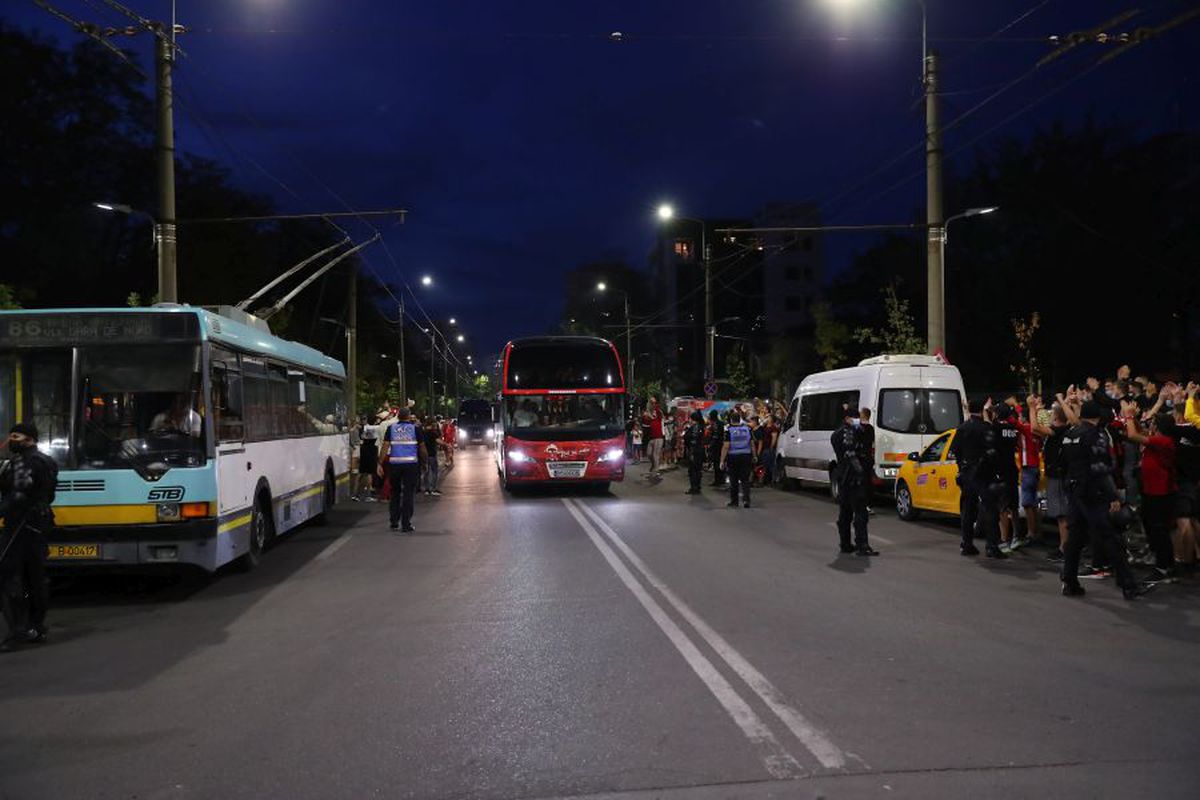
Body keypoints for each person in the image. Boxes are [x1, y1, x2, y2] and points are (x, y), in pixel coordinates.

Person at [1060, 400, 1149, 600]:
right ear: (1098, 416)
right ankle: (1128, 585)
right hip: (1092, 492)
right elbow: (1100, 468)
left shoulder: (1069, 434)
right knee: (1110, 537)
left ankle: (1069, 581)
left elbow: (1063, 465)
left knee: (1075, 538)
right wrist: (1112, 496)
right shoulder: (1095, 434)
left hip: (1074, 490)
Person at [0, 423, 58, 651]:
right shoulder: (47, 461)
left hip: (20, 524)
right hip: (39, 524)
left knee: (8, 575)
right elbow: (49, 495)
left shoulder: (24, 462)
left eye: (16, 436)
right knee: (35, 576)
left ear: (30, 439)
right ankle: (36, 627)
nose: (11, 440)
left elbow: (18, 496)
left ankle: (18, 631)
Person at [1121, 404, 1177, 582]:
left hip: (1160, 492)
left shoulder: (1164, 441)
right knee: (1151, 526)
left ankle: (1163, 567)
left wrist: (1129, 416)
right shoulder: (1157, 439)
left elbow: (1132, 435)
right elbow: (1139, 432)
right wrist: (1134, 417)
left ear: (1158, 426)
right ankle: (1162, 561)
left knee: (1159, 530)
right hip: (1151, 490)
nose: (1150, 425)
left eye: (1152, 423)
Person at [948, 398, 1006, 558]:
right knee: (990, 510)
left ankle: (967, 544)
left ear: (969, 409)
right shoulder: (985, 428)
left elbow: (955, 451)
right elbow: (992, 452)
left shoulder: (962, 428)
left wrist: (961, 468)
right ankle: (991, 546)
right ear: (982, 410)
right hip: (984, 474)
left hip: (967, 473)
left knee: (968, 510)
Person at [831, 407, 877, 556]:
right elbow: (851, 454)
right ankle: (862, 545)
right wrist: (861, 471)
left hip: (843, 477)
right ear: (848, 418)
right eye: (855, 418)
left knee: (845, 513)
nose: (857, 420)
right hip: (854, 478)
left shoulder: (836, 434)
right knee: (860, 512)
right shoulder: (850, 432)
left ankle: (845, 544)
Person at [378, 408, 427, 533]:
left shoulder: (391, 429)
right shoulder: (416, 429)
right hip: (411, 465)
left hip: (395, 464)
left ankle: (394, 521)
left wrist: (380, 463)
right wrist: (424, 462)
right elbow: (422, 448)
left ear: (398, 417)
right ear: (409, 416)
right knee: (408, 494)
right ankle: (406, 524)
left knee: (395, 493)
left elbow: (385, 447)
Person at [1041, 402, 1072, 562]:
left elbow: (1035, 428)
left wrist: (1031, 408)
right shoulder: (1066, 429)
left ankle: (1064, 548)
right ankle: (1064, 545)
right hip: (1059, 474)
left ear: (1057, 416)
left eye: (1052, 413)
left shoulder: (1058, 431)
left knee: (1061, 513)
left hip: (1058, 475)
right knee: (1061, 513)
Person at [720, 410, 754, 508]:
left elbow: (726, 446)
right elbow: (752, 444)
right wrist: (755, 455)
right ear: (739, 419)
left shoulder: (728, 430)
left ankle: (734, 501)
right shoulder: (747, 429)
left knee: (733, 480)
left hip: (733, 456)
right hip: (746, 456)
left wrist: (722, 460)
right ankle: (746, 500)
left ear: (731, 420)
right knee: (745, 480)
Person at [353, 418, 379, 501]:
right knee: (369, 474)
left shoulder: (364, 429)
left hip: (364, 451)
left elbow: (361, 437)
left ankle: (355, 494)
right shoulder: (376, 429)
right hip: (371, 452)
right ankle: (368, 495)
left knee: (360, 473)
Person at [683, 410, 706, 494]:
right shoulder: (701, 426)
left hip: (694, 450)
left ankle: (694, 488)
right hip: (700, 450)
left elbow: (688, 438)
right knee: (698, 469)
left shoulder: (694, 428)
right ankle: (697, 486)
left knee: (693, 470)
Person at [642, 397, 665, 478]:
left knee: (655, 455)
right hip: (651, 437)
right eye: (651, 402)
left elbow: (658, 410)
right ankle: (654, 465)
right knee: (649, 454)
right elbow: (645, 422)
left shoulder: (658, 413)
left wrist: (653, 403)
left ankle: (655, 471)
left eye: (654, 403)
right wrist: (646, 415)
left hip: (658, 437)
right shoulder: (648, 414)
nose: (653, 404)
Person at [422, 416, 442, 496]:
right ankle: (433, 488)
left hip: (424, 454)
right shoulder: (433, 432)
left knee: (426, 472)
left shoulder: (423, 432)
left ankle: (427, 489)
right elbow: (438, 440)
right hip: (432, 454)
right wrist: (446, 445)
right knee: (434, 471)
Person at [707, 409, 726, 488]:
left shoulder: (715, 425)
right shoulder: (721, 423)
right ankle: (720, 479)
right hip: (720, 445)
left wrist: (710, 445)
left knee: (716, 463)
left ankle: (718, 480)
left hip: (717, 446)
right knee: (719, 463)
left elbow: (715, 436)